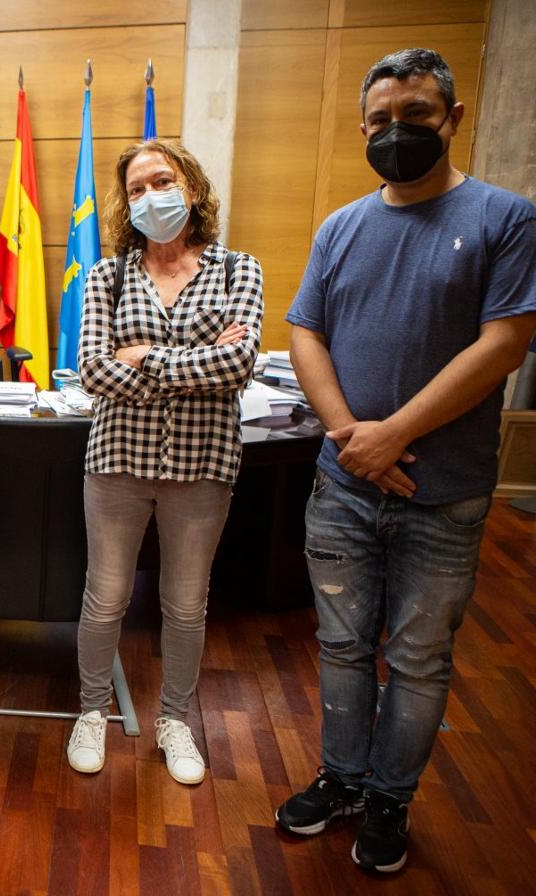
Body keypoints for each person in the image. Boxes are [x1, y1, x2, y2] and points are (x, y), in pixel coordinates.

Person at [275, 48, 536, 873]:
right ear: (363, 129)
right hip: (345, 486)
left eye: (415, 115)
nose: (397, 132)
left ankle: (391, 798)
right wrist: (354, 436)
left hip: (442, 493)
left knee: (419, 659)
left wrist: (393, 434)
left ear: (451, 118)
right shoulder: (340, 227)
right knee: (342, 645)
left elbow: (504, 344)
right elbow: (305, 333)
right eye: (381, 120)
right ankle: (342, 778)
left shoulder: (506, 218)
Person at [70, 139, 263, 785]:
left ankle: (174, 720)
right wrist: (194, 365)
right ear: (125, 204)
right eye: (137, 189)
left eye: (162, 181)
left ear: (192, 187)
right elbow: (92, 371)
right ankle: (91, 711)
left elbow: (238, 365)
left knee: (184, 604)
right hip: (117, 461)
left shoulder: (238, 270)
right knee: (105, 599)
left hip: (204, 466)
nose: (151, 196)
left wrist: (144, 356)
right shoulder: (107, 276)